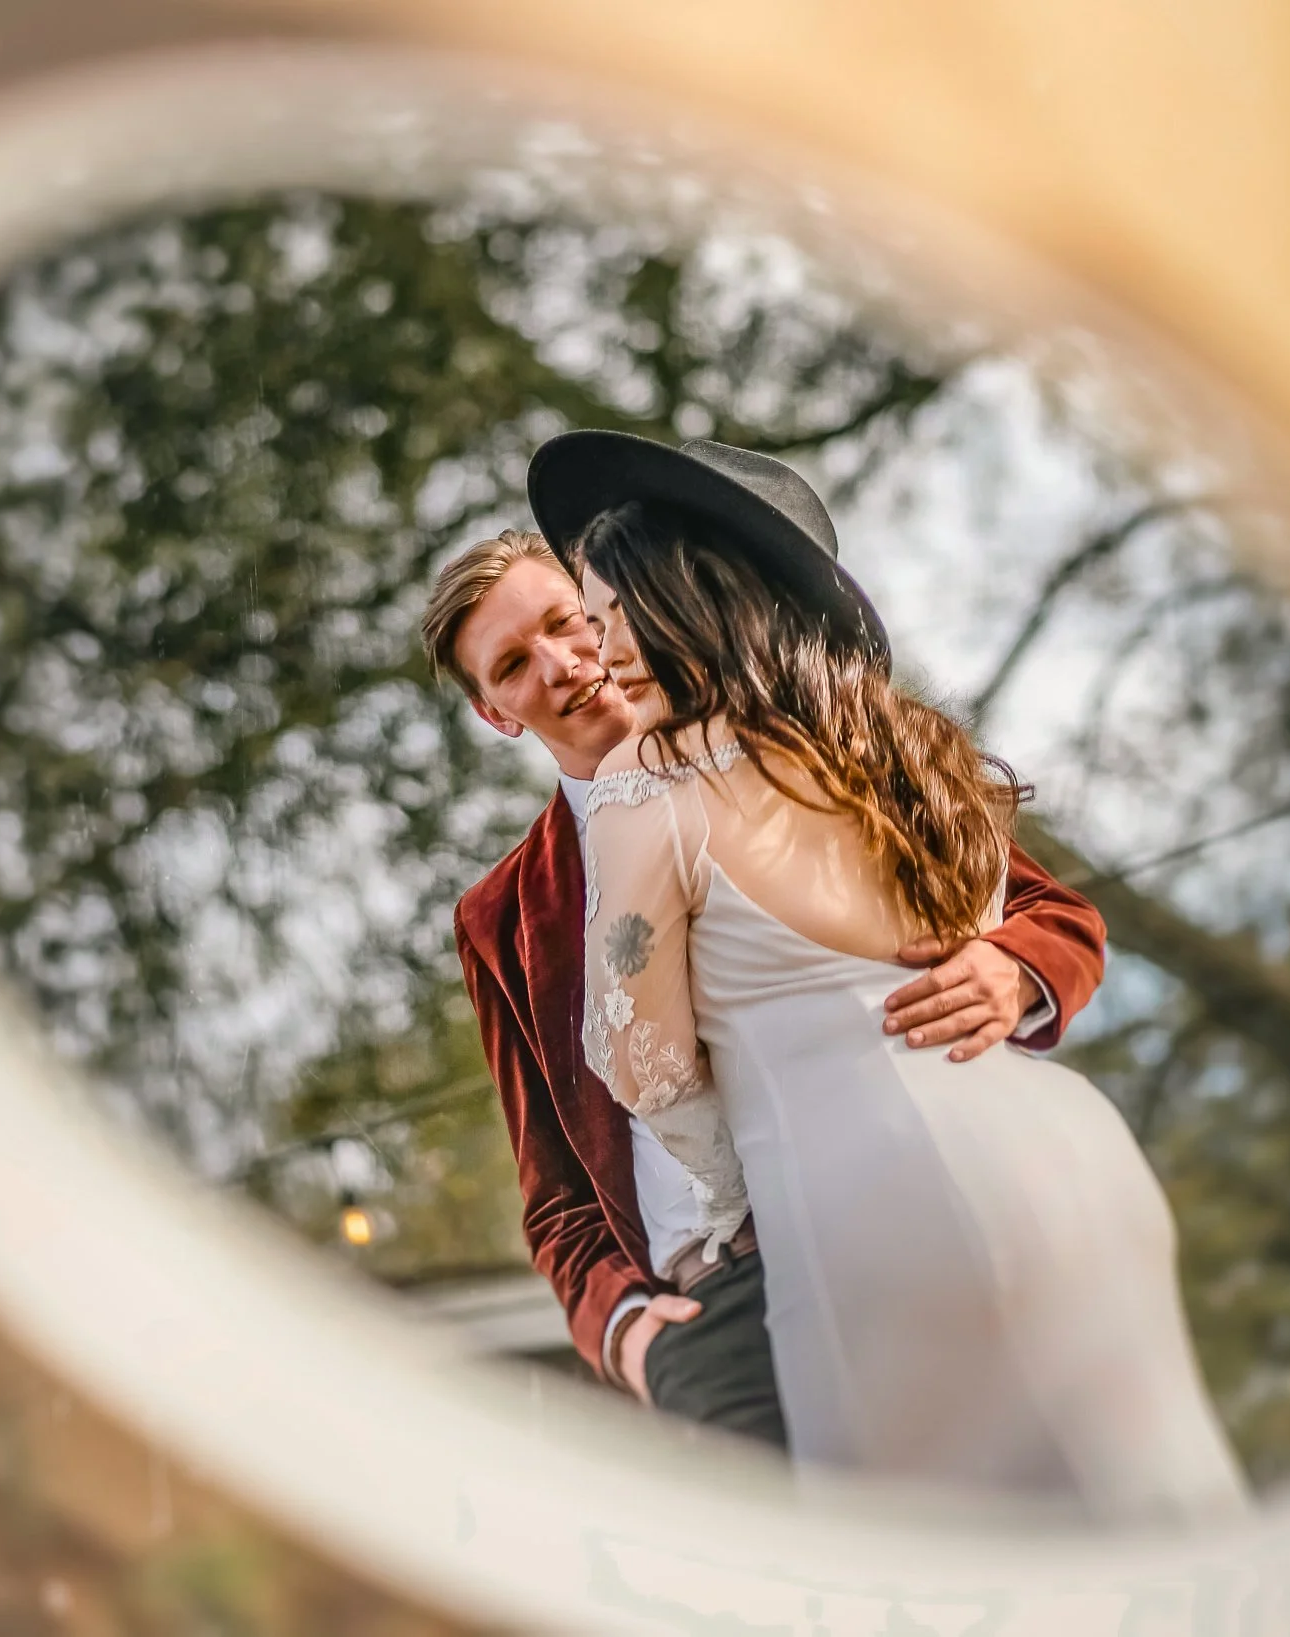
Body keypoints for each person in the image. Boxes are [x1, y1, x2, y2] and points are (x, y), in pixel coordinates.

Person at [529, 428, 1247, 1521]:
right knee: (1156, 1522)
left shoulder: (650, 781)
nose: (603, 642)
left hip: (878, 1208)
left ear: (683, 597)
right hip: (1070, 1160)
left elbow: (644, 1059)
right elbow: (1020, 906)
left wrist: (726, 1200)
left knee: (960, 1566)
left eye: (612, 607)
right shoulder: (912, 748)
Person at [420, 502, 1109, 1453]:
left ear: (609, 609)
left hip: (911, 1219)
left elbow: (1050, 912)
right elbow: (554, 1192)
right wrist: (624, 1331)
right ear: (495, 711)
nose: (559, 663)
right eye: (510, 665)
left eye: (565, 622)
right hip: (714, 1305)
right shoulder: (500, 917)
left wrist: (1014, 965)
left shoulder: (804, 749)